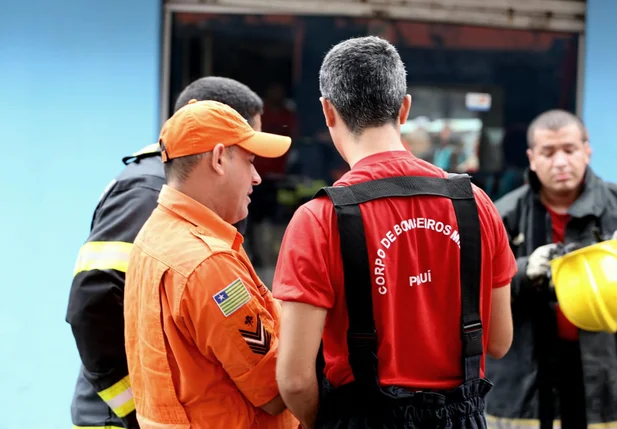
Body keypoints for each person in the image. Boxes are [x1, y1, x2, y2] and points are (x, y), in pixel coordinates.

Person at [271, 35, 517, 429]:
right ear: (404, 109)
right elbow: (499, 341)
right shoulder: (475, 204)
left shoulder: (318, 219)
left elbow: (296, 381)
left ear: (328, 111)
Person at [65, 76, 265, 429]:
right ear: (218, 149)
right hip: (118, 419)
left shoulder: (186, 196)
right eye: (249, 155)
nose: (256, 174)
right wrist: (133, 407)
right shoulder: (149, 192)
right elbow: (92, 301)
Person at [123, 100, 296, 428]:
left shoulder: (154, 234)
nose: (258, 178)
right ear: (218, 159)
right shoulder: (208, 263)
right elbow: (275, 389)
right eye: (250, 161)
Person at [485, 109, 617, 429]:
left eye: (569, 150)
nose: (560, 162)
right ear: (531, 158)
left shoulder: (614, 207)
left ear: (587, 150)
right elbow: (475, 290)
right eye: (548, 152)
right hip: (525, 373)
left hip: (603, 369)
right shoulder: (501, 215)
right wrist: (523, 271)